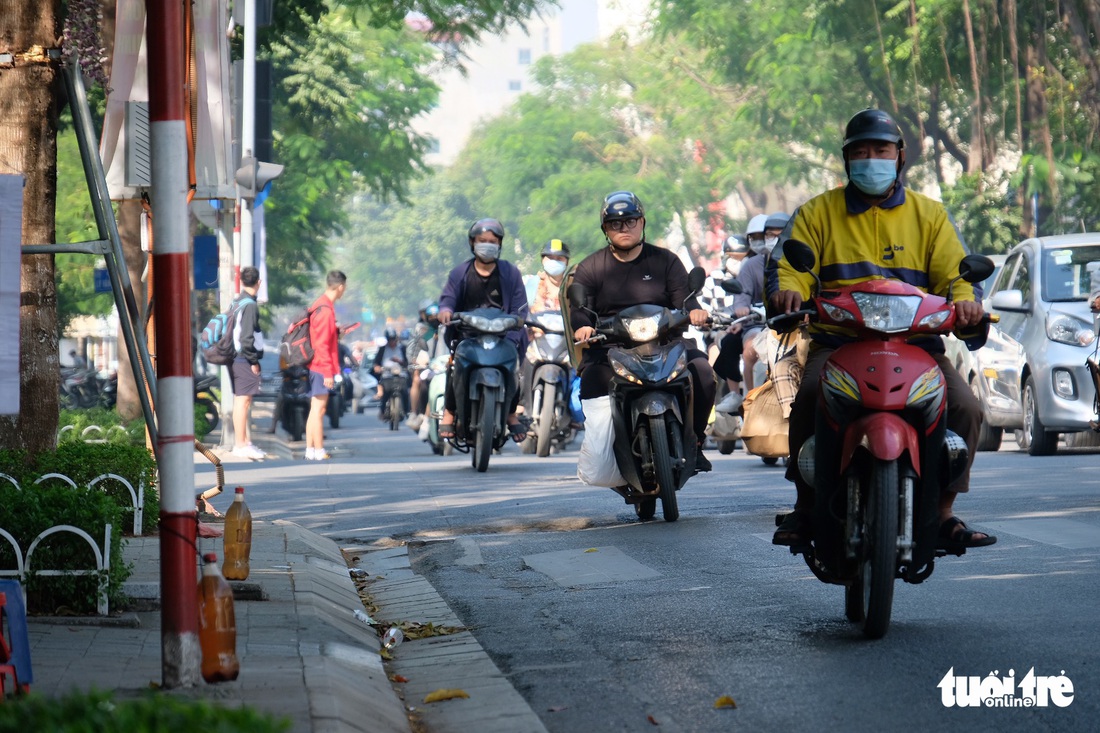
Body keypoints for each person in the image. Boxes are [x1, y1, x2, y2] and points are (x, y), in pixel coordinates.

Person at [767, 108, 996, 551]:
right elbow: (786, 269)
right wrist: (788, 294)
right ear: (847, 160)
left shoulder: (930, 216)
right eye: (861, 152)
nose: (871, 159)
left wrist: (967, 302)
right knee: (810, 398)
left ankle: (944, 510)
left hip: (917, 346)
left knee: (966, 406)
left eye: (881, 150)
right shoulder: (816, 214)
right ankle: (806, 503)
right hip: (838, 343)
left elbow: (958, 275)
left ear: (900, 157)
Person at [570, 190, 716, 472]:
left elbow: (684, 300)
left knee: (704, 373)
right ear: (605, 229)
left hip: (665, 343)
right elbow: (581, 309)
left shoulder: (666, 261)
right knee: (591, 381)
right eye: (615, 223)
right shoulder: (590, 267)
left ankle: (696, 442)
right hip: (611, 347)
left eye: (630, 221)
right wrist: (583, 327)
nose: (623, 228)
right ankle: (607, 454)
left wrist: (696, 312)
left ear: (642, 222)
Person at [437, 218, 530, 442]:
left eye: (492, 241)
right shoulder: (460, 273)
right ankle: (449, 412)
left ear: (499, 244)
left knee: (514, 369)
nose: (487, 245)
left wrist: (517, 322)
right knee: (454, 367)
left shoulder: (510, 273)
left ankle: (510, 413)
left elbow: (520, 307)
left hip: (503, 335)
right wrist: (446, 310)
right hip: (467, 336)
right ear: (472, 243)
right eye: (482, 241)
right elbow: (448, 298)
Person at [711, 214, 769, 413]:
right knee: (749, 350)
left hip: (789, 323)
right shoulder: (750, 266)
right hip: (754, 324)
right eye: (756, 237)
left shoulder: (791, 261)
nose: (763, 240)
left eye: (768, 235)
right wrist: (742, 309)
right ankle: (750, 401)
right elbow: (742, 294)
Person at [520, 239, 572, 414]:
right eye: (550, 257)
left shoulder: (574, 286)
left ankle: (572, 413)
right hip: (535, 341)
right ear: (543, 260)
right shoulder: (530, 284)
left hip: (565, 343)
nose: (554, 261)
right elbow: (516, 308)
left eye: (559, 258)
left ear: (567, 262)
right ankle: (521, 405)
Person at [305, 270, 347, 461]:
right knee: (319, 409)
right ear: (340, 286)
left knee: (316, 408)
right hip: (321, 366)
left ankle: (311, 449)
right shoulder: (325, 309)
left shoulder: (322, 306)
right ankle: (318, 449)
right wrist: (328, 372)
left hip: (318, 365)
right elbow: (321, 344)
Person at [230, 266, 266, 459]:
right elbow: (246, 337)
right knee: (243, 401)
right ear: (258, 282)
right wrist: (253, 360)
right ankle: (241, 444)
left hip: (237, 356)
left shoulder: (238, 301)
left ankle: (243, 442)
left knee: (241, 400)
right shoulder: (250, 305)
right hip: (243, 357)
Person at [406, 302, 444, 426]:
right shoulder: (421, 329)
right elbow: (413, 348)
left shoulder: (446, 328)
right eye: (430, 316)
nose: (434, 319)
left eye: (436, 316)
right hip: (426, 364)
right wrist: (414, 360)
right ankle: (415, 412)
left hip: (443, 364)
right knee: (417, 379)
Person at [372, 327, 409, 419]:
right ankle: (383, 411)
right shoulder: (382, 349)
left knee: (405, 392)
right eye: (390, 340)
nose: (392, 342)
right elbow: (376, 362)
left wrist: (400, 362)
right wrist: (377, 367)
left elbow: (407, 362)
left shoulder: (402, 348)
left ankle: (407, 411)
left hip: (400, 374)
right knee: (385, 393)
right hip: (387, 374)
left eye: (393, 339)